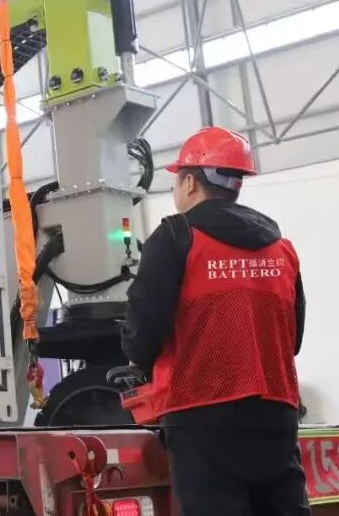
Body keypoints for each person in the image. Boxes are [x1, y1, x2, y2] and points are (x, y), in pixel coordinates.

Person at [121, 126, 309, 516]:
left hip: (201, 414)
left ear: (190, 182)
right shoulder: (281, 248)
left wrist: (135, 358)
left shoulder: (176, 236)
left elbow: (144, 328)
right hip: (277, 414)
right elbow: (293, 339)